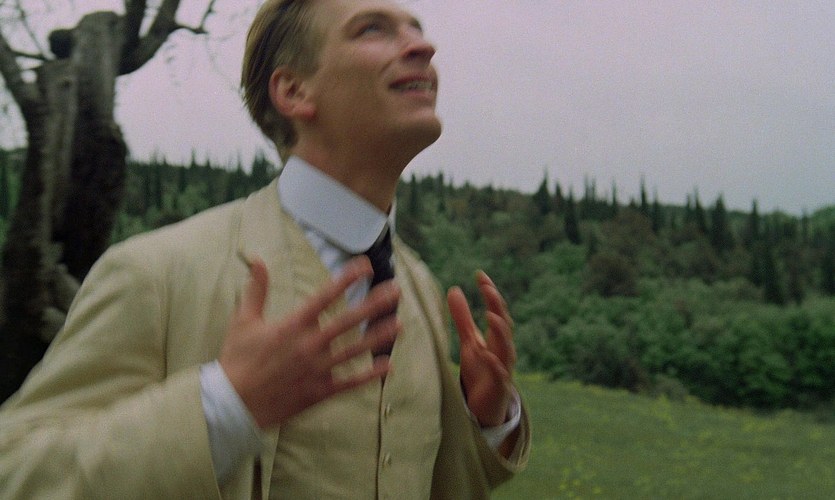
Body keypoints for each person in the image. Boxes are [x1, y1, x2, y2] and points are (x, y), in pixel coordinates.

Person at [0, 0, 530, 497]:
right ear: (294, 92)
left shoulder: (422, 291)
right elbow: (17, 472)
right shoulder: (154, 273)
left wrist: (488, 422)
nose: (423, 46)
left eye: (416, 29)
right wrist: (227, 405)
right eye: (373, 29)